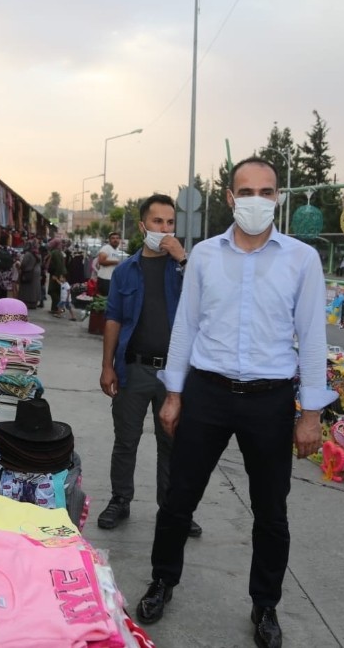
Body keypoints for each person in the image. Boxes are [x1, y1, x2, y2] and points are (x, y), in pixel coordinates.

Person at [135, 157, 338, 648]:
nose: (256, 200)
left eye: (266, 191)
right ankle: (163, 580)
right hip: (207, 393)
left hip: (269, 401)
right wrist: (175, 393)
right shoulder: (204, 255)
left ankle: (265, 605)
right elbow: (186, 327)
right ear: (230, 198)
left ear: (278, 198)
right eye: (245, 191)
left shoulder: (300, 259)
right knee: (179, 497)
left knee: (271, 511)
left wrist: (310, 413)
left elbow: (312, 338)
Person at [97, 195, 201, 536]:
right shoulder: (126, 270)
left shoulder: (186, 268)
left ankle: (173, 509)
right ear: (143, 226)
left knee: (173, 443)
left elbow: (207, 301)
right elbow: (113, 319)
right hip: (134, 369)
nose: (165, 229)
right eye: (158, 222)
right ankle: (120, 500)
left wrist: (183, 259)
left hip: (174, 374)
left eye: (170, 222)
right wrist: (107, 366)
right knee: (125, 441)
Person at [96, 232, 123, 296]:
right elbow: (101, 261)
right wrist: (116, 262)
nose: (115, 240)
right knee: (105, 299)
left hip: (111, 279)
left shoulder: (116, 250)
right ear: (109, 240)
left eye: (117, 238)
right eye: (113, 238)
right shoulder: (106, 248)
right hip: (104, 279)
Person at [17, 239, 42, 308]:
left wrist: (20, 267)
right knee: (35, 288)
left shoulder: (28, 254)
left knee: (27, 288)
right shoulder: (38, 253)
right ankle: (34, 303)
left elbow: (24, 264)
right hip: (37, 272)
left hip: (29, 272)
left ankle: (27, 303)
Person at [47, 237, 66, 315]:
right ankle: (54, 308)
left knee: (52, 291)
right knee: (56, 292)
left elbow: (58, 265)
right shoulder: (58, 252)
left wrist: (56, 276)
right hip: (58, 274)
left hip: (56, 275)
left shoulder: (55, 252)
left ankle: (58, 309)